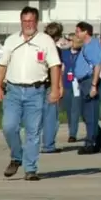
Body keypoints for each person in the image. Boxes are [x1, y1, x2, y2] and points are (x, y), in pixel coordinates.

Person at [0, 6, 62, 180]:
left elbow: (55, 65)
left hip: (36, 91)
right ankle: (17, 157)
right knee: (9, 126)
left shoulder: (45, 40)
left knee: (33, 131)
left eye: (31, 21)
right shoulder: (11, 40)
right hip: (13, 91)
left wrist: (55, 88)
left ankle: (30, 169)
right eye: (25, 21)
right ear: (21, 22)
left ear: (37, 22)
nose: (28, 24)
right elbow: (2, 65)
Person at [73, 21, 101, 155]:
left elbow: (97, 65)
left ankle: (91, 143)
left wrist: (94, 85)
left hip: (89, 81)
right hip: (83, 82)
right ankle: (100, 138)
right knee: (86, 113)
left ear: (85, 32)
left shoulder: (93, 45)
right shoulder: (85, 45)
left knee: (91, 114)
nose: (76, 34)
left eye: (78, 31)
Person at [40, 22, 65, 154]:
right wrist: (60, 86)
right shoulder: (56, 50)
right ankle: (48, 144)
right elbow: (57, 69)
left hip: (34, 84)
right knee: (51, 116)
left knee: (34, 115)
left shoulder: (36, 46)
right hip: (50, 84)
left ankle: (32, 143)